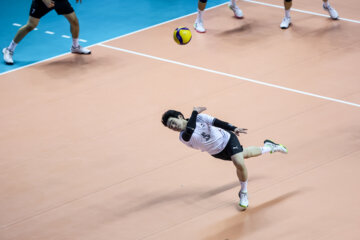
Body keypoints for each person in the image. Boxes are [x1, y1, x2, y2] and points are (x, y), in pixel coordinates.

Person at [161, 107, 288, 210]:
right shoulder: (183, 137)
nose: (173, 127)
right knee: (246, 154)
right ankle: (270, 147)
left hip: (227, 139)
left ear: (180, 117)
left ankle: (243, 193)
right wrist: (194, 112)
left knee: (238, 162)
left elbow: (217, 122)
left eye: (172, 122)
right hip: (217, 152)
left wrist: (233, 128)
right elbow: (190, 130)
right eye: (170, 127)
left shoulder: (201, 118)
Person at [2, 0, 91, 65]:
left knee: (74, 21)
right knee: (31, 25)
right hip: (41, 2)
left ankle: (75, 47)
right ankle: (9, 50)